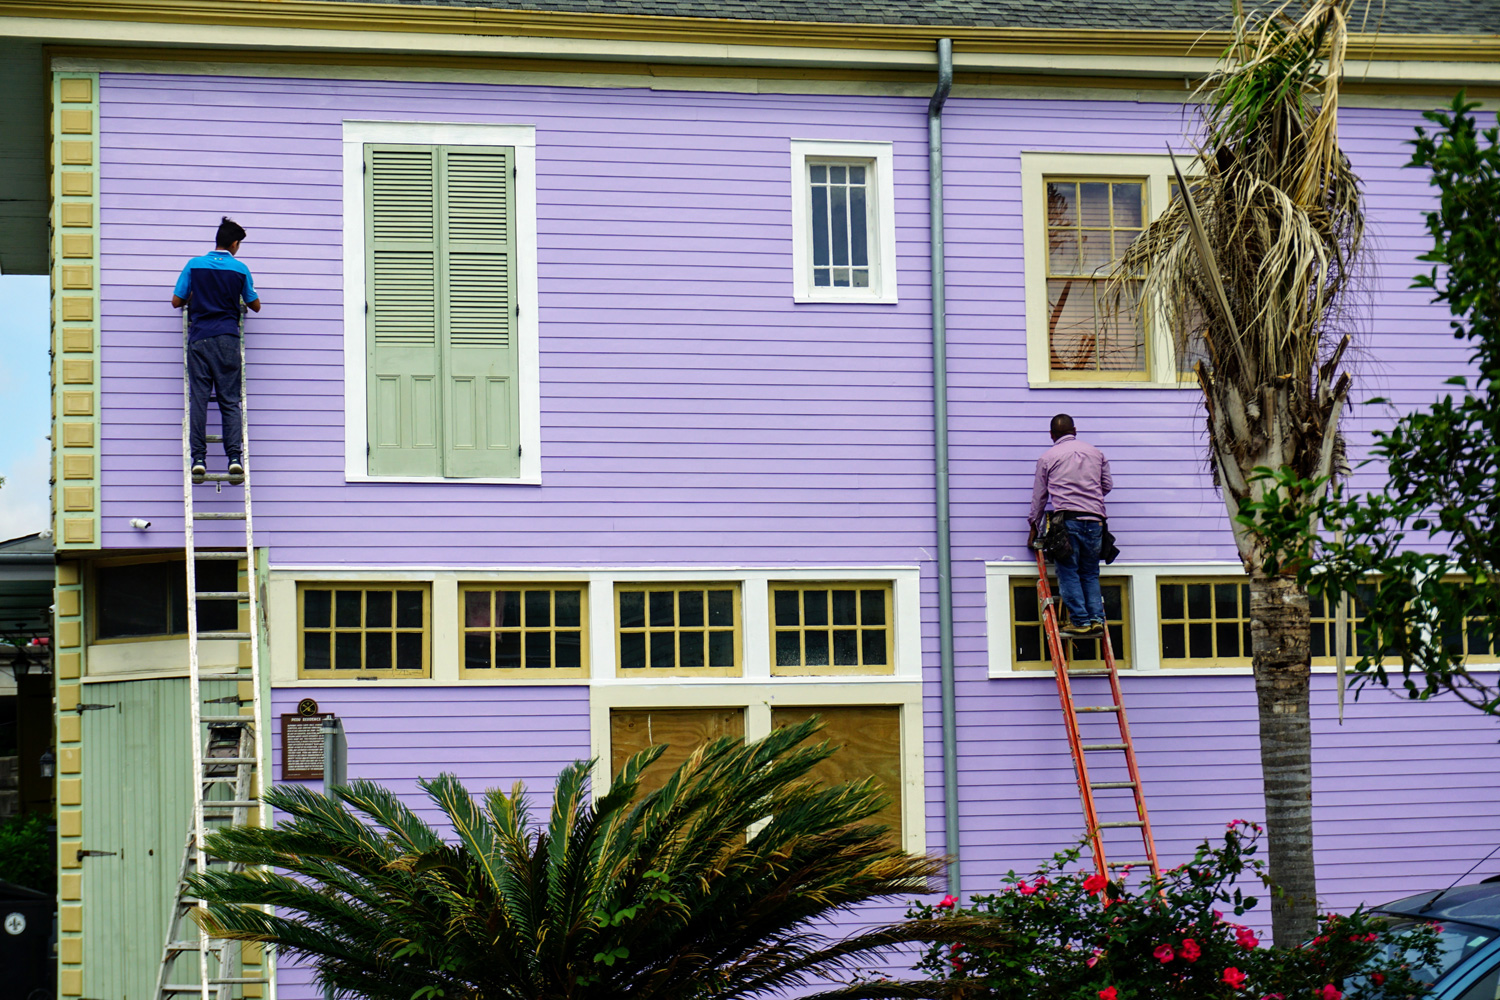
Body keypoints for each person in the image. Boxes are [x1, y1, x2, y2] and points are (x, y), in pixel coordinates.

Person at [172, 217, 261, 483]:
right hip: (227, 339)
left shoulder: (194, 265)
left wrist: (195, 297)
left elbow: (176, 301)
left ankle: (198, 459)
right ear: (234, 244)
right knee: (229, 401)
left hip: (199, 339)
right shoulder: (240, 269)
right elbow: (254, 304)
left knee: (198, 400)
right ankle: (234, 458)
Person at [1027, 413, 1112, 637]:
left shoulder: (1047, 458)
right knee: (1090, 572)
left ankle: (1081, 621)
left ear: (1052, 435)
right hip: (1095, 521)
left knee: (1069, 571)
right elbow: (1107, 485)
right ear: (1074, 431)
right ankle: (1096, 619)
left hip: (1068, 521)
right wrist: (1089, 498)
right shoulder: (1096, 453)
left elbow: (1040, 498)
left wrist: (1034, 525)